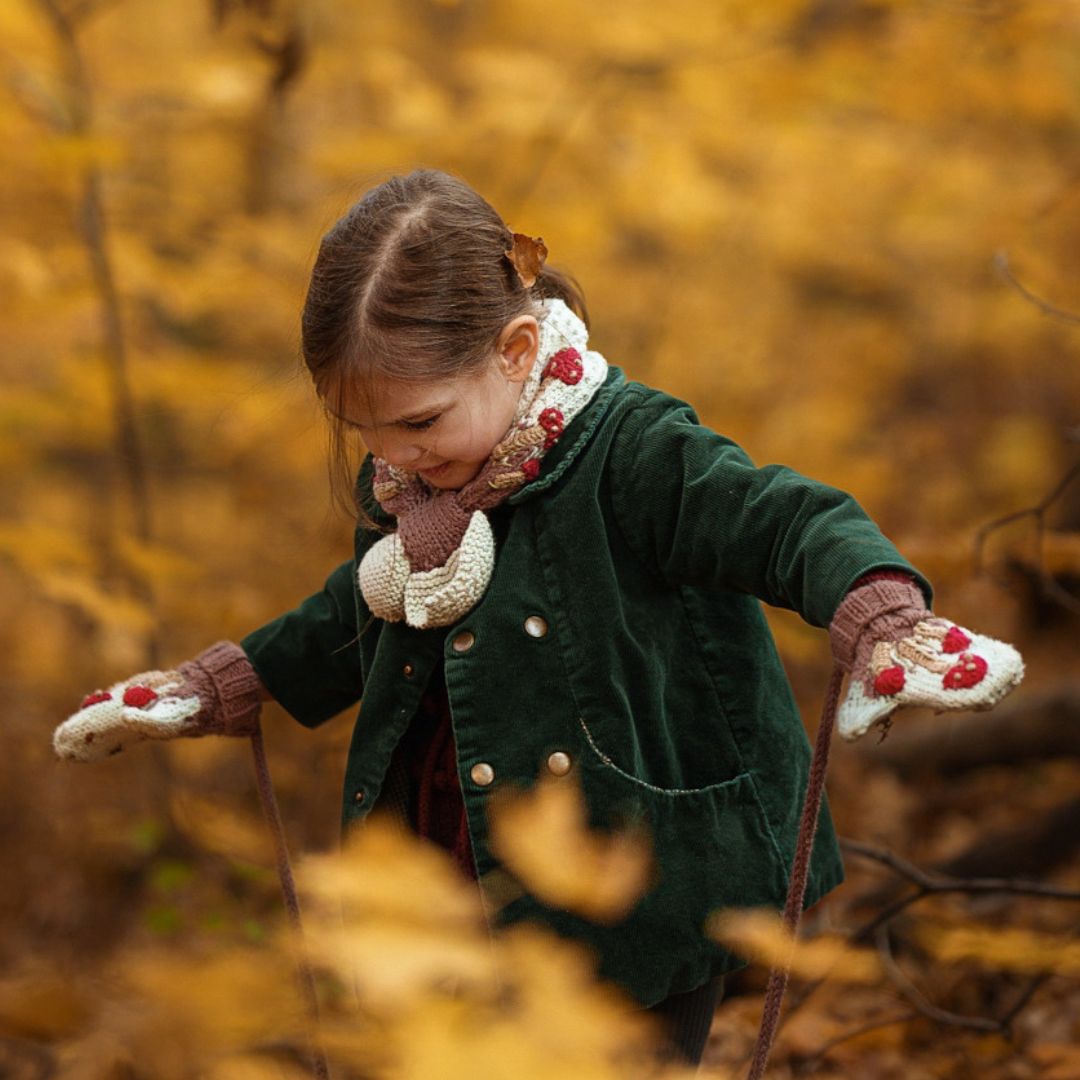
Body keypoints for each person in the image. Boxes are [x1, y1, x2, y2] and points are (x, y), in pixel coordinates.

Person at [54, 168, 1023, 1068]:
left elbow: (785, 522)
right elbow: (366, 611)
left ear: (516, 351)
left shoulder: (633, 450)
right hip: (446, 853)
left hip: (627, 868)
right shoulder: (409, 485)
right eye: (363, 428)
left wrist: (882, 617)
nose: (393, 453)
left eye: (421, 421)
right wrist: (221, 684)